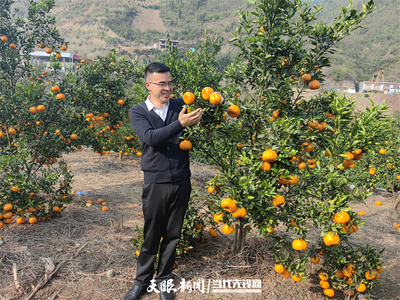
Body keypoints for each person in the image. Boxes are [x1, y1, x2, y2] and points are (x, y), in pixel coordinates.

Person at [124, 62, 203, 300]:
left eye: (170, 82)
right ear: (148, 85)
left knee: (173, 234)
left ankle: (164, 280)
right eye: (162, 83)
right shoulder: (138, 112)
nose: (167, 87)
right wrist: (180, 124)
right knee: (151, 234)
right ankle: (141, 281)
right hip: (156, 181)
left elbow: (205, 115)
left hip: (181, 178)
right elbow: (150, 138)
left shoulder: (180, 105)